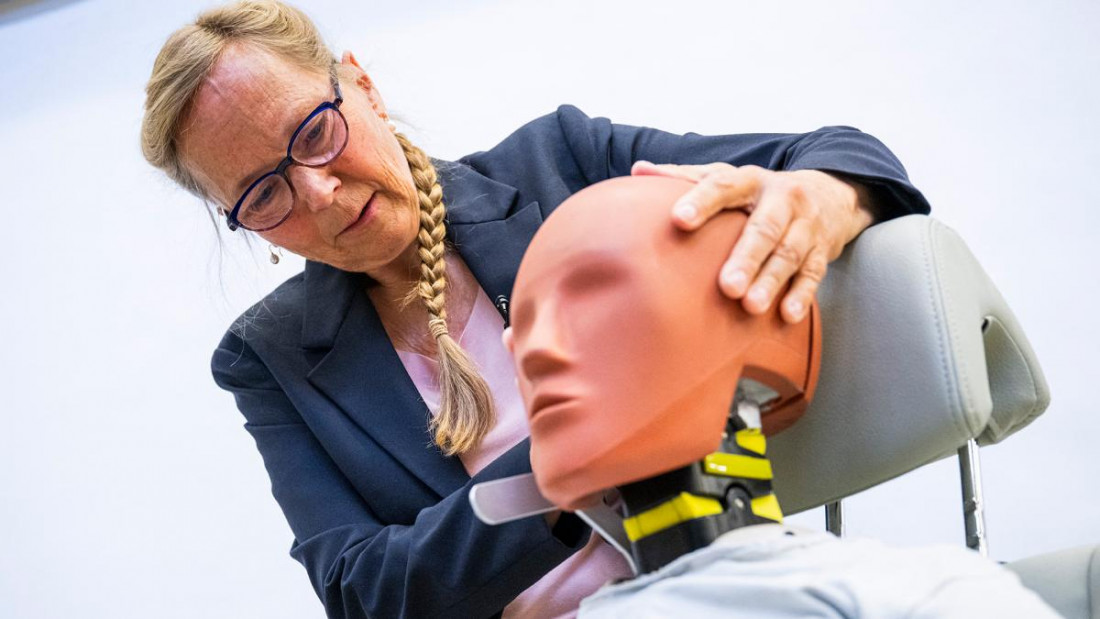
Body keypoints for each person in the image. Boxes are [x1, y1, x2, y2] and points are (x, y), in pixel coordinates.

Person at [140, 2, 931, 616]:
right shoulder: (266, 358)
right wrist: (577, 444)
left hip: (730, 584)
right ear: (239, 223)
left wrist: (824, 198)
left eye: (315, 131)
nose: (317, 189)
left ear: (363, 85)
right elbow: (365, 594)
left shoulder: (564, 162)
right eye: (264, 194)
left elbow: (837, 153)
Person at [502, 176, 1058, 617]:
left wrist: (835, 191)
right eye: (523, 326)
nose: (534, 350)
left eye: (596, 295)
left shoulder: (916, 593)